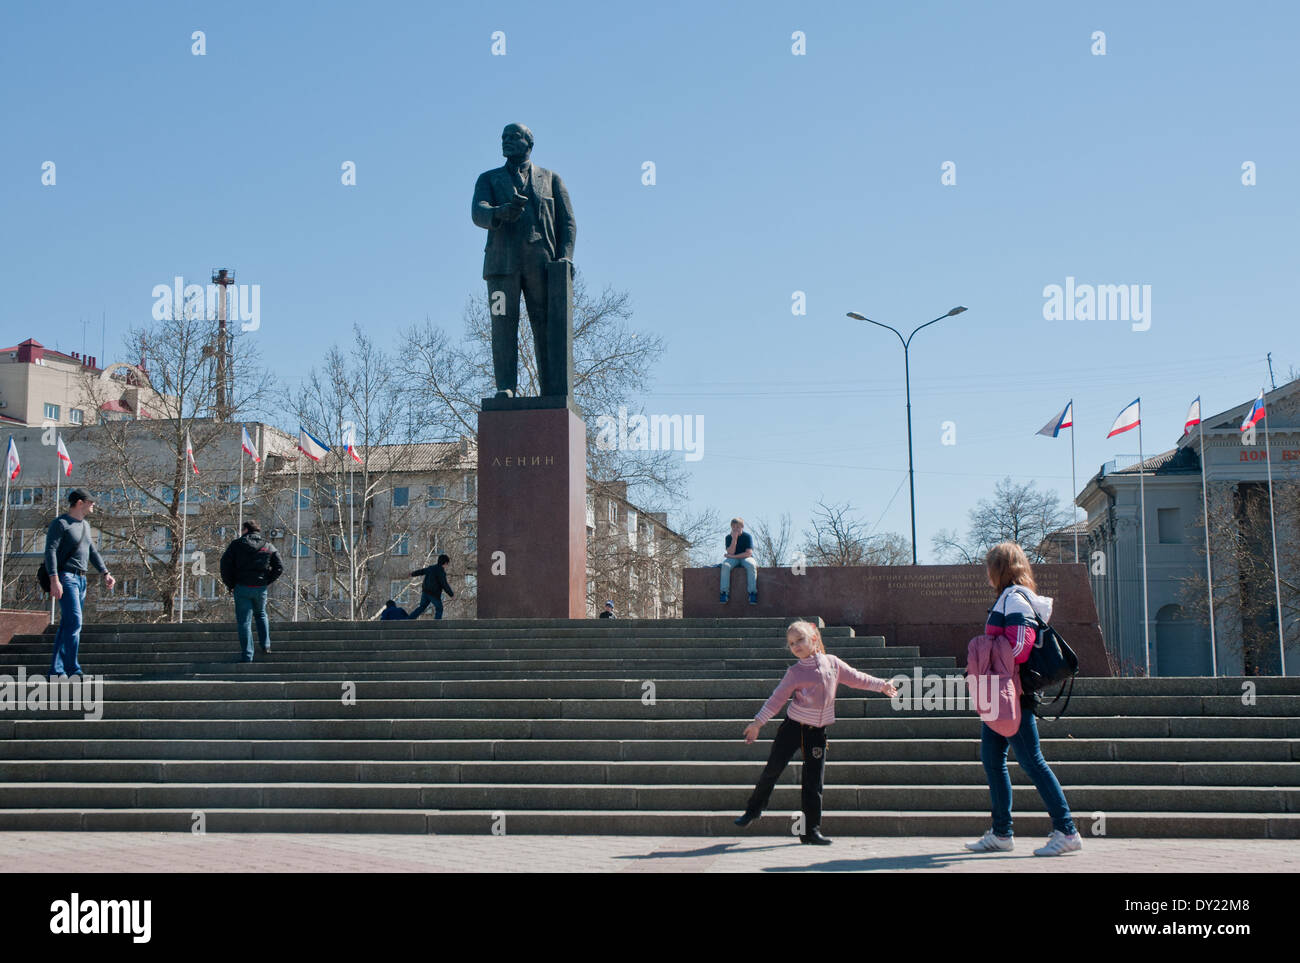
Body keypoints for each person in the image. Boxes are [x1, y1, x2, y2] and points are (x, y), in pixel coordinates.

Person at [965, 541, 1082, 857]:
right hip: (1004, 692)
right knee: (992, 759)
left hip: (1012, 694)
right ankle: (1002, 832)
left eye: (990, 567)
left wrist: (985, 655)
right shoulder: (1011, 598)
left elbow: (1020, 646)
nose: (987, 574)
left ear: (998, 569)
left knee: (1032, 761)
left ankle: (1067, 830)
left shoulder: (1014, 599)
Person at [734, 620, 897, 845]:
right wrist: (757, 723)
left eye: (800, 640)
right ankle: (753, 810)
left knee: (813, 782)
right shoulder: (795, 672)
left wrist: (881, 685)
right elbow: (777, 699)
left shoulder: (833, 663)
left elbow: (856, 678)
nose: (796, 646)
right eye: (791, 643)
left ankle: (810, 831)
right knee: (773, 769)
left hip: (817, 733)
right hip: (792, 728)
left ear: (813, 639)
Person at [44, 489, 115, 677]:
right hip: (66, 578)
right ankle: (72, 669)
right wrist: (54, 580)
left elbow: (92, 552)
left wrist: (105, 573)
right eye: (91, 502)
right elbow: (50, 551)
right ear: (80, 503)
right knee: (75, 623)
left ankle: (56, 670)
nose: (94, 505)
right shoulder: (60, 524)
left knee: (67, 624)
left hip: (82, 580)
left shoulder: (84, 525)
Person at [219, 520, 283, 663]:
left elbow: (224, 565)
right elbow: (279, 567)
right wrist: (266, 581)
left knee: (244, 622)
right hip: (260, 588)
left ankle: (248, 655)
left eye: (242, 529)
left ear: (246, 529)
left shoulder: (236, 545)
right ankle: (266, 645)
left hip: (241, 587)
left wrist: (231, 584)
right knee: (261, 614)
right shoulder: (268, 546)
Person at [719, 517, 758, 604]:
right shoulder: (728, 537)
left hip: (746, 558)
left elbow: (748, 553)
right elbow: (730, 552)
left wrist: (732, 556)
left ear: (742, 527)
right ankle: (724, 593)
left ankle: (752, 593)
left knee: (751, 565)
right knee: (725, 565)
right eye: (733, 527)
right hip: (733, 559)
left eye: (738, 527)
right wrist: (734, 539)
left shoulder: (747, 536)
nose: (735, 529)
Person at [409, 554, 454, 619]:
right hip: (434, 594)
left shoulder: (431, 568)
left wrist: (412, 574)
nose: (446, 566)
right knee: (439, 608)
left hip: (425, 592)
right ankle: (437, 625)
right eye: (447, 564)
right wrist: (451, 594)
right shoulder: (441, 571)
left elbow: (422, 571)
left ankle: (409, 619)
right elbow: (444, 584)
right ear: (445, 563)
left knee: (422, 607)